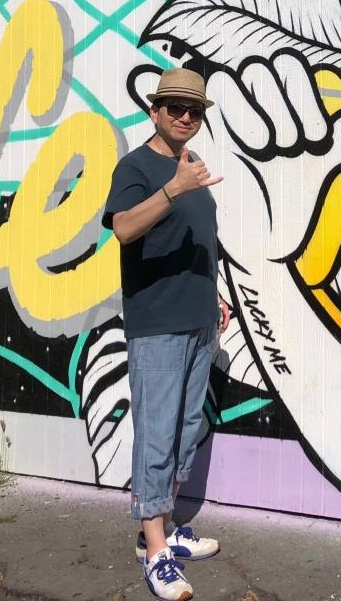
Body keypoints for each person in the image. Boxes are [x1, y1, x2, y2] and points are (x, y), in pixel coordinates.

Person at [104, 67, 233, 601]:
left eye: (194, 110)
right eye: (175, 107)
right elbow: (123, 228)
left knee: (184, 430)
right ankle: (154, 549)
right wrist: (173, 189)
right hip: (157, 324)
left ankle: (164, 527)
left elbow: (200, 240)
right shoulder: (136, 167)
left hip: (199, 319)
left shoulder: (193, 163)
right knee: (157, 433)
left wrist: (214, 295)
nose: (185, 116)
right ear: (154, 111)